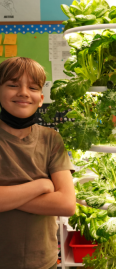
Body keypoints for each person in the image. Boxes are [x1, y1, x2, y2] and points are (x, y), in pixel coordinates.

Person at [0, 57, 76, 269]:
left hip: (44, 261)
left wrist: (7, 198)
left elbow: (66, 204)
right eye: (13, 85)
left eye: (32, 87)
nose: (23, 92)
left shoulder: (51, 138)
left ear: (41, 98)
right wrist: (40, 186)